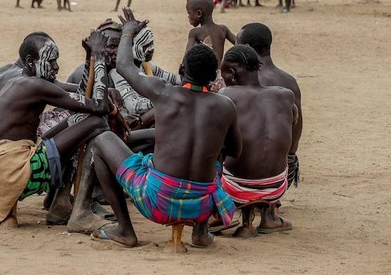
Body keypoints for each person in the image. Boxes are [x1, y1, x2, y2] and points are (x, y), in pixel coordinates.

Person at [88, 12, 240, 250]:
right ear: (213, 76)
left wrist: (128, 30)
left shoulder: (165, 93)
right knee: (217, 158)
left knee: (103, 139)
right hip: (202, 207)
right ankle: (201, 232)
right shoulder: (225, 106)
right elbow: (235, 151)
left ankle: (125, 230)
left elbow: (124, 64)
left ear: (183, 69)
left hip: (157, 202)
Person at [0, 32, 110, 228]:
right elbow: (100, 106)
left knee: (77, 120)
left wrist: (89, 58)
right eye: (52, 61)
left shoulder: (23, 79)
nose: (57, 67)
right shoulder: (35, 86)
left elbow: (79, 93)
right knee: (96, 122)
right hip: (12, 173)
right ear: (30, 61)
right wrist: (100, 57)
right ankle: (81, 210)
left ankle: (61, 203)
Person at [219, 45, 296, 236]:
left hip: (235, 188)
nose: (223, 80)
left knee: (216, 147)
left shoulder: (226, 96)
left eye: (224, 75)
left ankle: (218, 216)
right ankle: (270, 216)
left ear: (232, 72)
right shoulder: (285, 95)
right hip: (277, 185)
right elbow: (292, 122)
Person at [236, 23, 303, 189]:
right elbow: (297, 127)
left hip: (245, 173)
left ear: (246, 48)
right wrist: (290, 160)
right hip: (283, 173)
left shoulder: (243, 80)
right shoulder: (289, 81)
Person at [185, 0, 237, 66]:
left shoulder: (195, 32)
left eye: (189, 13)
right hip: (219, 74)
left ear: (199, 13)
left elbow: (187, 58)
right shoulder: (223, 29)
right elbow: (240, 43)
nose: (188, 17)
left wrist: (182, 68)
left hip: (204, 75)